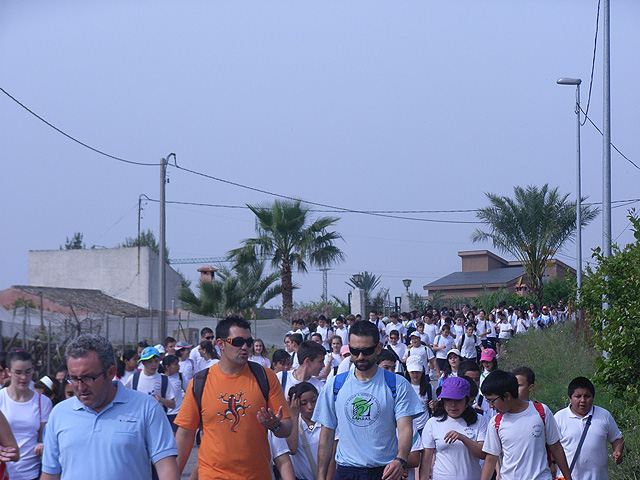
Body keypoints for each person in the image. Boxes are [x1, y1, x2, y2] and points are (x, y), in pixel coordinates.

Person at [41, 334, 179, 480]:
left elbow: (167, 470)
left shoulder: (147, 408)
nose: (80, 387)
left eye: (88, 378)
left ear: (111, 372)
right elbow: (50, 474)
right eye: (74, 378)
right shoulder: (59, 413)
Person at [175, 315, 292, 479]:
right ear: (220, 344)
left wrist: (276, 426)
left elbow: (287, 427)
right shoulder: (200, 382)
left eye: (249, 342)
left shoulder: (265, 377)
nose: (245, 347)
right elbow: (185, 435)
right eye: (237, 342)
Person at [313, 319, 423, 480]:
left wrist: (400, 460)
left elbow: (405, 428)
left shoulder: (397, 385)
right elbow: (326, 436)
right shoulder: (335, 385)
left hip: (386, 472)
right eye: (355, 351)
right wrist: (321, 477)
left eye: (367, 350)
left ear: (378, 348)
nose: (360, 356)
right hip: (347, 471)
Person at [479, 370, 572, 480]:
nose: (491, 406)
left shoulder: (541, 412)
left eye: (492, 401)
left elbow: (556, 448)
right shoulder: (496, 422)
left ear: (507, 396)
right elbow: (491, 459)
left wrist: (568, 477)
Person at [554, 376, 623, 480]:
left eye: (587, 396)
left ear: (593, 397)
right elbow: (551, 447)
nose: (583, 400)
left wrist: (618, 451)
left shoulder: (604, 415)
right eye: (578, 396)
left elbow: (617, 439)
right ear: (570, 398)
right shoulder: (559, 418)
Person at [420, 377, 487, 480]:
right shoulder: (432, 423)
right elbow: (425, 463)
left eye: (458, 400)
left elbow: (483, 454)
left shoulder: (480, 421)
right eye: (448, 400)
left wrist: (463, 438)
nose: (453, 405)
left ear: (467, 400)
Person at [0, 350, 52, 480]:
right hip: (4, 472)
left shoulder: (43, 402)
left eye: (28, 372)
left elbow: (44, 438)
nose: (24, 377)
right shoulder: (1, 398)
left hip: (32, 473)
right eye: (18, 373)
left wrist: (43, 446)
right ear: (8, 372)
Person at [123, 346, 176, 412]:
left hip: (158, 417)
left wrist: (161, 399)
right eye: (150, 362)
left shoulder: (164, 379)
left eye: (156, 361)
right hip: (139, 416)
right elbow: (124, 397)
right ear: (143, 363)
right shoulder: (134, 378)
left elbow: (172, 405)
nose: (154, 365)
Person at [286, 382, 321, 480]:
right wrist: (293, 415)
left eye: (313, 401)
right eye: (303, 403)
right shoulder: (293, 425)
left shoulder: (327, 423)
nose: (310, 407)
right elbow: (292, 449)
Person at [162, 355, 184, 433]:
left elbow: (187, 390)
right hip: (165, 414)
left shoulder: (180, 376)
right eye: (175, 364)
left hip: (178, 413)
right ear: (167, 367)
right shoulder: (161, 379)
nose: (178, 366)